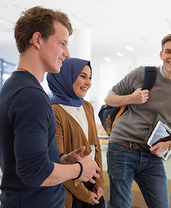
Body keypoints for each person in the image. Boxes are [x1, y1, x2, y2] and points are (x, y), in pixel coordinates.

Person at [0, 6, 100, 208]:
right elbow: (34, 172)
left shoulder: (17, 86)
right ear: (37, 40)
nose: (67, 53)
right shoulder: (31, 96)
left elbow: (26, 158)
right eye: (62, 44)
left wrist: (60, 159)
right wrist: (78, 169)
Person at [104, 33, 171, 208]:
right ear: (161, 54)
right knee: (120, 205)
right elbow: (109, 99)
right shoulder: (142, 73)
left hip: (154, 155)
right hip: (122, 147)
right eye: (168, 51)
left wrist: (170, 145)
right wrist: (131, 98)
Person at [47, 58, 105, 208]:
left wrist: (99, 183)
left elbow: (96, 147)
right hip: (71, 188)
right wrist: (85, 195)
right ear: (66, 76)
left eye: (90, 77)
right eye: (83, 76)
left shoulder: (87, 106)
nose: (89, 83)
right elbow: (58, 162)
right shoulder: (54, 111)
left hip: (92, 184)